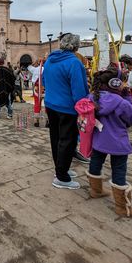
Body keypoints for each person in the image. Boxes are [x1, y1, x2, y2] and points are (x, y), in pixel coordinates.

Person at [43, 33, 89, 190]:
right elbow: (79, 90)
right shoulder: (74, 63)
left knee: (56, 138)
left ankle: (60, 169)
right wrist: (84, 107)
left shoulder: (50, 60)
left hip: (51, 104)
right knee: (67, 141)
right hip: (67, 107)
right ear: (76, 47)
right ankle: (62, 176)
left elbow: (44, 81)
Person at [86, 68, 132, 216]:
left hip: (98, 140)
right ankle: (121, 207)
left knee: (95, 162)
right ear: (115, 83)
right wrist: (127, 97)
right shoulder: (121, 102)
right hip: (117, 142)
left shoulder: (92, 97)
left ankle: (95, 190)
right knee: (119, 170)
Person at [28, 60, 45, 127]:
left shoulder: (34, 69)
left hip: (37, 89)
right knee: (47, 105)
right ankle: (47, 121)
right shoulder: (46, 68)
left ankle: (36, 121)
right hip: (45, 88)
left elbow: (29, 67)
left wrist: (34, 62)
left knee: (37, 104)